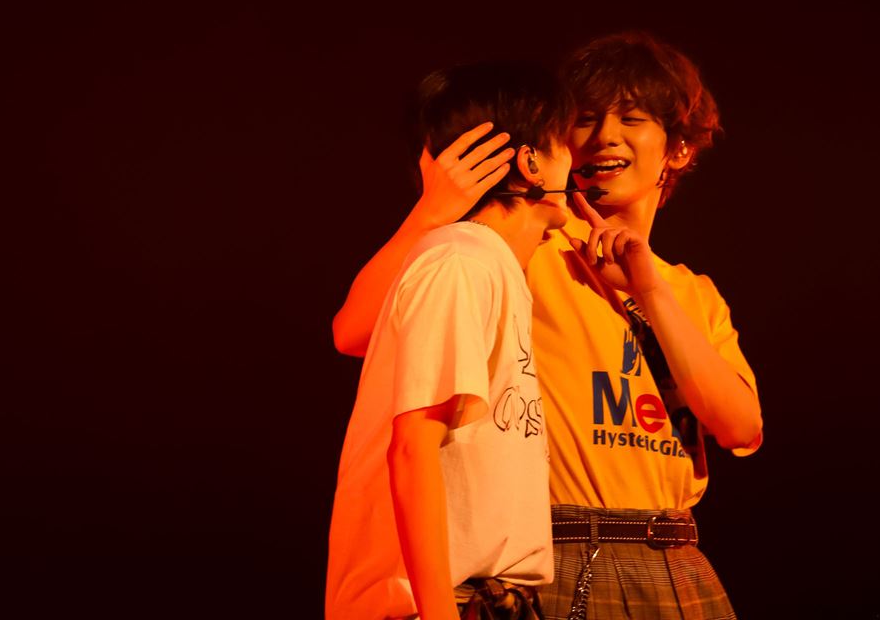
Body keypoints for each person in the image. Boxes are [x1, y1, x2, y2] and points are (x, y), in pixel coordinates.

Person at [332, 32, 763, 620]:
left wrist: (648, 290)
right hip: (560, 549)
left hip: (674, 552)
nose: (604, 136)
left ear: (679, 148)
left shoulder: (690, 292)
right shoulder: (529, 244)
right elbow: (359, 330)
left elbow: (740, 427)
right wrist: (432, 210)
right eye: (585, 119)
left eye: (631, 118)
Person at [325, 61, 576, 620]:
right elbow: (412, 447)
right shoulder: (462, 261)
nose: (575, 161)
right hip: (442, 605)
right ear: (531, 162)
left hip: (486, 601)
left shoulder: (490, 264)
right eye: (562, 142)